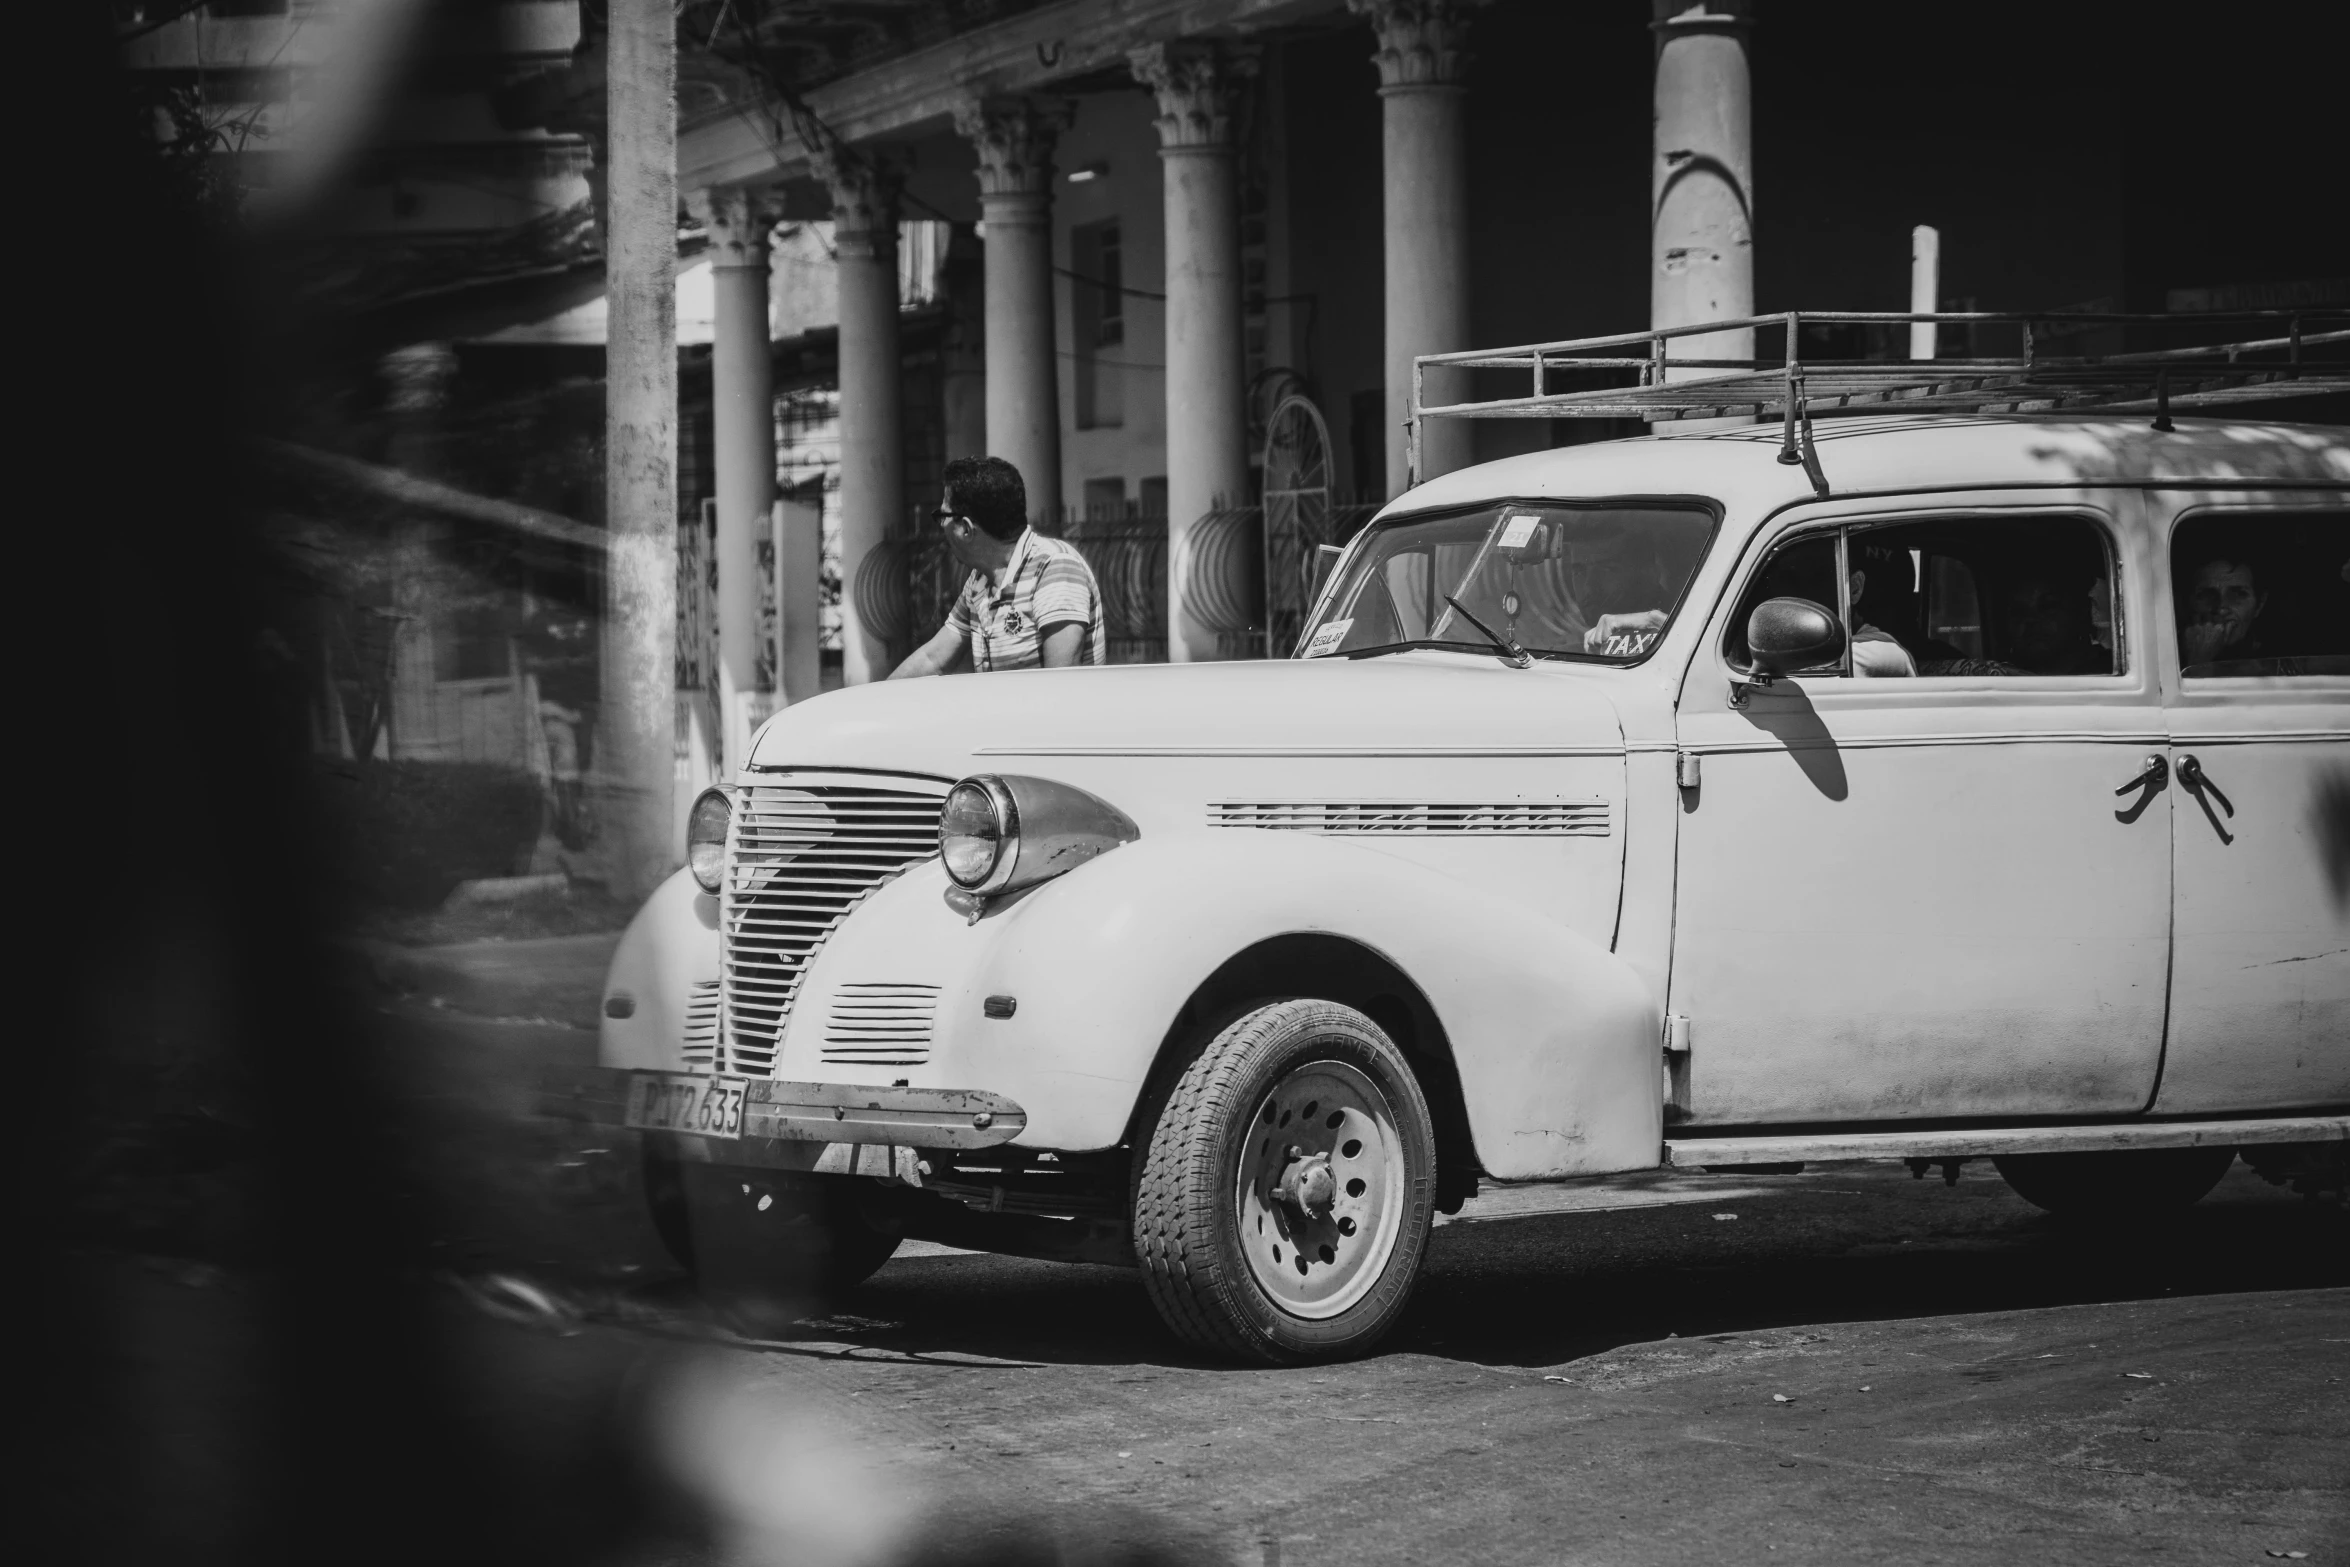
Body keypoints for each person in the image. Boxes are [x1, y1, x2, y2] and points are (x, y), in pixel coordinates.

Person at [891, 455, 1106, 677]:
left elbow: (1062, 684)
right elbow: (933, 658)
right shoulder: (980, 581)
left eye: (942, 516)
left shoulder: (1054, 568)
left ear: (966, 528)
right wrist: (872, 699)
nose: (941, 526)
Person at [2179, 554, 2267, 670]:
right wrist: (2198, 659)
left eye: (2237, 595)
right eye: (2207, 595)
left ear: (2259, 605)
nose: (2221, 609)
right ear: (2188, 602)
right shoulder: (2161, 654)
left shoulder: (2275, 661)